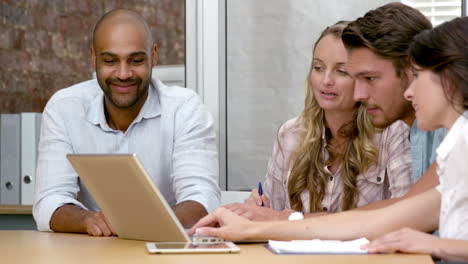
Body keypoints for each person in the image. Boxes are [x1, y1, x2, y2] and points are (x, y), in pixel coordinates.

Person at [191, 16, 468, 261]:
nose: (410, 91)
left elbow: (395, 216)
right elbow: (389, 217)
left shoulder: (442, 138)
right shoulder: (451, 143)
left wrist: (437, 244)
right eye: (318, 67)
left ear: (450, 80)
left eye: (368, 78)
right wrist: (256, 226)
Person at [33, 9, 220, 236]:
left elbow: (202, 198)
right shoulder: (64, 108)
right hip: (92, 251)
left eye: (136, 60)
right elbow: (49, 202)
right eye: (110, 60)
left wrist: (143, 225)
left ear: (154, 55)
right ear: (93, 58)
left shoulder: (185, 109)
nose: (123, 73)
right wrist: (87, 220)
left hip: (165, 250)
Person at [225, 21, 412, 221]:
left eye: (341, 71)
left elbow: (405, 214)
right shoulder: (290, 134)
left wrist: (289, 219)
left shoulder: (392, 133)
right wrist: (261, 208)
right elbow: (273, 217)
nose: (326, 80)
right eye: (318, 67)